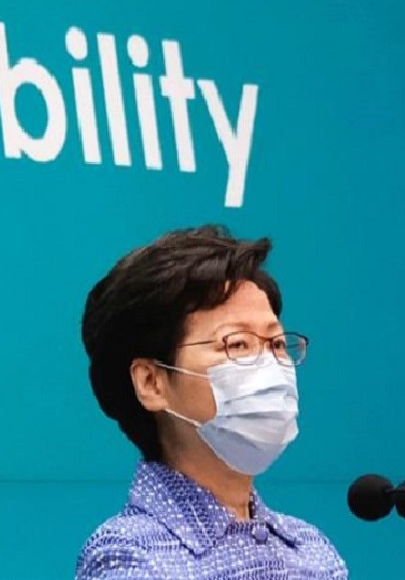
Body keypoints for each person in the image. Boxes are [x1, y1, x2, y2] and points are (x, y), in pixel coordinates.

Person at [75, 225, 348, 579]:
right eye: (237, 345)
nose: (270, 366)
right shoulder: (128, 555)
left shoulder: (313, 550)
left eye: (278, 345)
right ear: (151, 382)